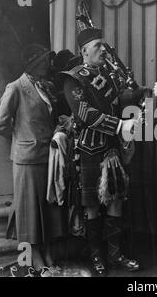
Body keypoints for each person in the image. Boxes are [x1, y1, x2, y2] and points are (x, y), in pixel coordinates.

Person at [60, 28, 140, 276]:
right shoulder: (73, 78)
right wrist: (119, 125)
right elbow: (84, 113)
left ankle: (115, 255)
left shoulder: (112, 75)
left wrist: (138, 96)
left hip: (113, 148)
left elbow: (123, 101)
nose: (104, 50)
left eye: (104, 46)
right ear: (84, 51)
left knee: (115, 200)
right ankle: (97, 258)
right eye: (98, 46)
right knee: (92, 204)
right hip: (88, 149)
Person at [0, 43, 66, 276]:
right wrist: (21, 136)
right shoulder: (15, 87)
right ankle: (36, 257)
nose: (49, 64)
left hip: (48, 156)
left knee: (46, 208)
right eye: (45, 60)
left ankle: (46, 253)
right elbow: (0, 124)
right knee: (30, 211)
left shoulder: (47, 86)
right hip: (26, 159)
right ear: (35, 63)